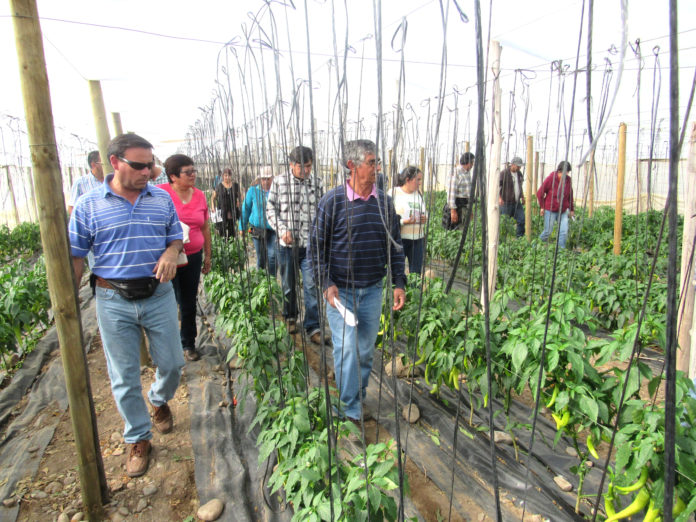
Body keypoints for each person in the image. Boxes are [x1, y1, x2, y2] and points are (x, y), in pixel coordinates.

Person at [68, 133, 185, 478]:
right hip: (112, 298)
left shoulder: (160, 200)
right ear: (115, 163)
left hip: (158, 293)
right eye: (139, 165)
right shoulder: (89, 205)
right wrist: (67, 306)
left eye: (150, 165)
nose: (148, 171)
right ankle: (138, 437)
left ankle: (159, 398)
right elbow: (76, 257)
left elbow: (175, 237)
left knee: (173, 363)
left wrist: (170, 252)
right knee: (123, 376)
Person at [311, 139, 406, 427]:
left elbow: (395, 246)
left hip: (373, 288)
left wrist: (398, 283)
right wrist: (326, 283)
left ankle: (356, 395)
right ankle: (350, 407)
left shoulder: (384, 203)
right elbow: (315, 249)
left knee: (365, 351)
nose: (377, 168)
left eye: (377, 162)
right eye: (372, 162)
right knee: (347, 349)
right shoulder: (333, 201)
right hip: (342, 292)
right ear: (351, 165)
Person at [266, 145, 327, 344]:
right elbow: (270, 210)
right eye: (303, 167)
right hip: (287, 247)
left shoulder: (316, 183)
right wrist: (282, 230)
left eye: (309, 166)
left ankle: (313, 326)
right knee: (288, 285)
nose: (307, 171)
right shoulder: (279, 182)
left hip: (310, 247)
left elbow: (322, 212)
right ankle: (290, 316)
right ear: (292, 164)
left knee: (311, 286)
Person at [158, 154, 212, 362]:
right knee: (167, 301)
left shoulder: (199, 195)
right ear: (172, 176)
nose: (193, 175)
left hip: (192, 257)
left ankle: (188, 343)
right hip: (167, 259)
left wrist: (208, 254)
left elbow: (205, 227)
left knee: (189, 301)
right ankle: (168, 347)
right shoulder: (160, 193)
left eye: (193, 171)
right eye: (187, 172)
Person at [240, 166, 277, 276]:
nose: (265, 181)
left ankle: (272, 280)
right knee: (260, 257)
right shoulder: (253, 191)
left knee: (272, 256)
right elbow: (245, 208)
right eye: (263, 179)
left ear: (272, 178)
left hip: (273, 229)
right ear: (260, 179)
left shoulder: (277, 191)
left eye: (268, 179)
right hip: (255, 228)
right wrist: (242, 226)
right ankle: (261, 280)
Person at [392, 166, 427, 274]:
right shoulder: (394, 193)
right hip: (399, 239)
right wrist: (403, 222)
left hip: (418, 239)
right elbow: (388, 217)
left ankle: (413, 290)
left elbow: (425, 211)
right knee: (397, 271)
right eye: (418, 179)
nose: (420, 183)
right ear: (408, 180)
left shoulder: (418, 195)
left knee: (416, 272)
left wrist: (424, 217)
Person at [537, 160, 575, 248]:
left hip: (563, 210)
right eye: (563, 173)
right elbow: (540, 193)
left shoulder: (568, 181)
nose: (565, 175)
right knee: (548, 232)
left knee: (563, 231)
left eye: (567, 173)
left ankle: (561, 251)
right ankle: (534, 246)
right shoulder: (551, 179)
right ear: (559, 171)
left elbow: (570, 195)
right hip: (550, 210)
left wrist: (571, 209)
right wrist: (542, 207)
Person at [499, 156, 526, 237]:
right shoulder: (504, 173)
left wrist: (522, 197)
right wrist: (499, 198)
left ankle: (519, 238)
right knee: (505, 223)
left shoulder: (519, 174)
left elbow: (520, 186)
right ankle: (503, 240)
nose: (519, 168)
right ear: (513, 165)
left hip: (517, 202)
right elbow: (498, 187)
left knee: (521, 220)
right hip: (506, 202)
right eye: (518, 166)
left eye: (520, 166)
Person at [446, 152, 475, 226]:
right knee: (457, 229)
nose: (472, 165)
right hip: (458, 205)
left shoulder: (467, 173)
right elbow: (451, 192)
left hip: (465, 205)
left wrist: (470, 209)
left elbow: (468, 193)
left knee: (465, 228)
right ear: (468, 162)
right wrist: (453, 210)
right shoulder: (456, 172)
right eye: (472, 163)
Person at [212, 168, 241, 238]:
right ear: (223, 176)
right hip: (222, 210)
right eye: (225, 175)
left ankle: (231, 244)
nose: (227, 177)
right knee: (222, 229)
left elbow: (240, 196)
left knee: (232, 229)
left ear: (231, 176)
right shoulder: (219, 186)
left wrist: (239, 202)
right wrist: (213, 207)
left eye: (229, 175)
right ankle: (224, 244)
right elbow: (213, 198)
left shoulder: (235, 185)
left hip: (232, 209)